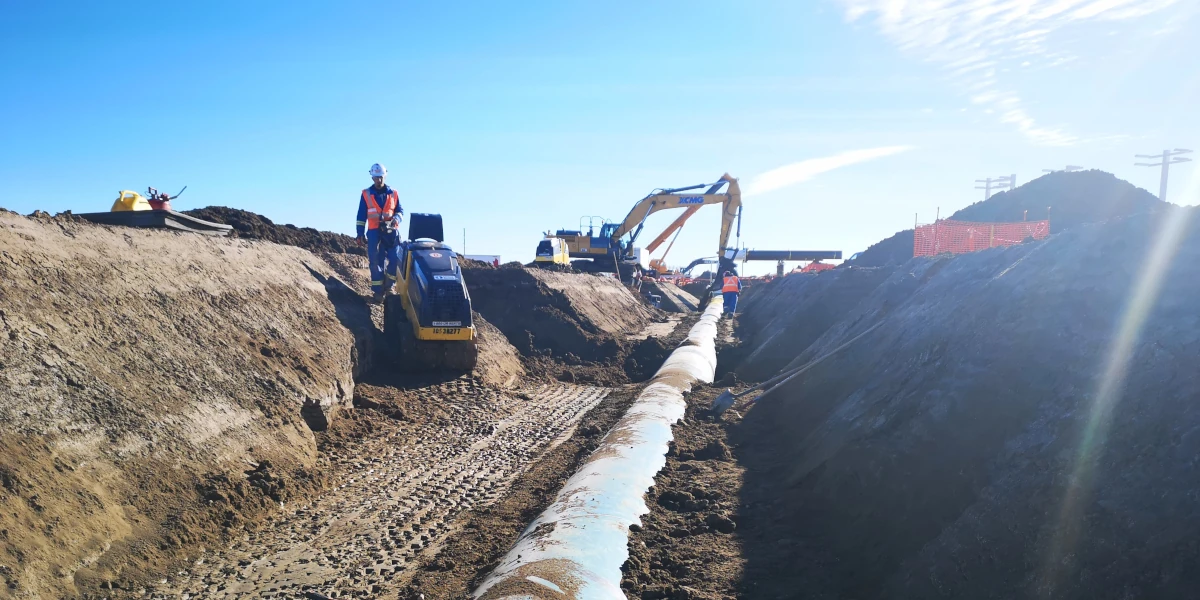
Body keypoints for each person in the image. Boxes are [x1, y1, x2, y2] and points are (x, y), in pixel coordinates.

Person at [355, 163, 404, 303]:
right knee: (376, 262)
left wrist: (396, 218)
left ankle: (389, 286)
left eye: (381, 177)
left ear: (385, 176)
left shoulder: (393, 193)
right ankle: (378, 292)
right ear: (372, 178)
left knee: (395, 259)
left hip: (391, 232)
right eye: (376, 178)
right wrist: (360, 233)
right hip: (374, 233)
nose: (379, 180)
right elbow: (361, 215)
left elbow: (400, 211)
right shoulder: (366, 194)